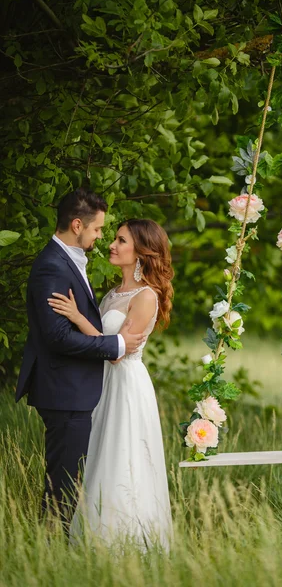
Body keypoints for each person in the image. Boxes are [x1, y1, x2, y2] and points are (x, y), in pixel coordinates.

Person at [16, 189, 144, 524]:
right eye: (98, 229)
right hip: (63, 390)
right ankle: (49, 550)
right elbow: (57, 337)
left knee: (69, 480)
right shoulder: (51, 267)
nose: (101, 237)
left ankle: (56, 549)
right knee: (63, 485)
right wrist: (115, 346)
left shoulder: (65, 262)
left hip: (74, 390)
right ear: (77, 225)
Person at [47, 218, 174, 549]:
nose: (112, 245)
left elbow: (116, 352)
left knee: (123, 453)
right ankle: (93, 533)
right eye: (114, 238)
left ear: (142, 251)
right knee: (99, 453)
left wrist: (76, 317)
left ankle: (124, 540)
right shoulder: (114, 293)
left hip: (126, 384)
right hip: (102, 382)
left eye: (121, 241)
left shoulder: (146, 296)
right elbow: (103, 343)